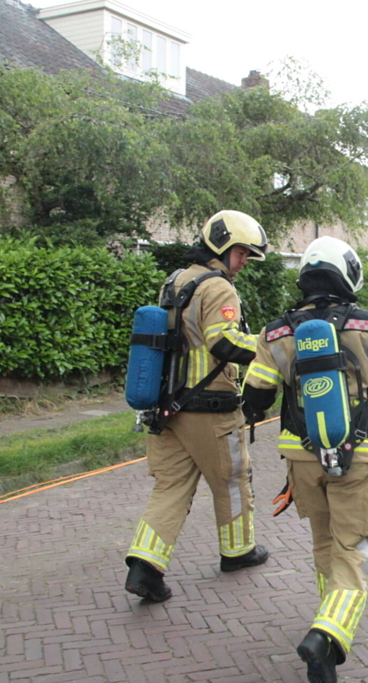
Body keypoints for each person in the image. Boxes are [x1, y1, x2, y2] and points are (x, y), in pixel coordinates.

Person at [242, 236, 368, 683]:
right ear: (347, 275)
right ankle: (327, 633)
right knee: (354, 549)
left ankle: (329, 627)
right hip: (357, 456)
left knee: (324, 543)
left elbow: (256, 397)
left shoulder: (276, 332)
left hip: (300, 458)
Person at [124, 210, 271, 603]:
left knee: (171, 487)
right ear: (222, 246)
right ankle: (239, 551)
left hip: (167, 406)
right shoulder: (219, 287)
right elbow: (223, 342)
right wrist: (269, 348)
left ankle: (144, 565)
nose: (243, 262)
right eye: (241, 253)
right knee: (233, 480)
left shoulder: (175, 281)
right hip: (211, 408)